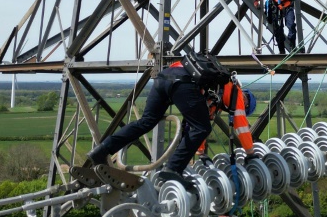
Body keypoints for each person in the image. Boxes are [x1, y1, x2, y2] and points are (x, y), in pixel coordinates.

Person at [86, 58, 256, 175]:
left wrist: (202, 153)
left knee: (146, 122)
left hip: (163, 78)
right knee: (202, 127)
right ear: (246, 103)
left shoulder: (216, 94)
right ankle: (172, 171)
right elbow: (241, 126)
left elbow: (197, 123)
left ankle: (102, 150)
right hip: (182, 82)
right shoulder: (237, 95)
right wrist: (250, 154)